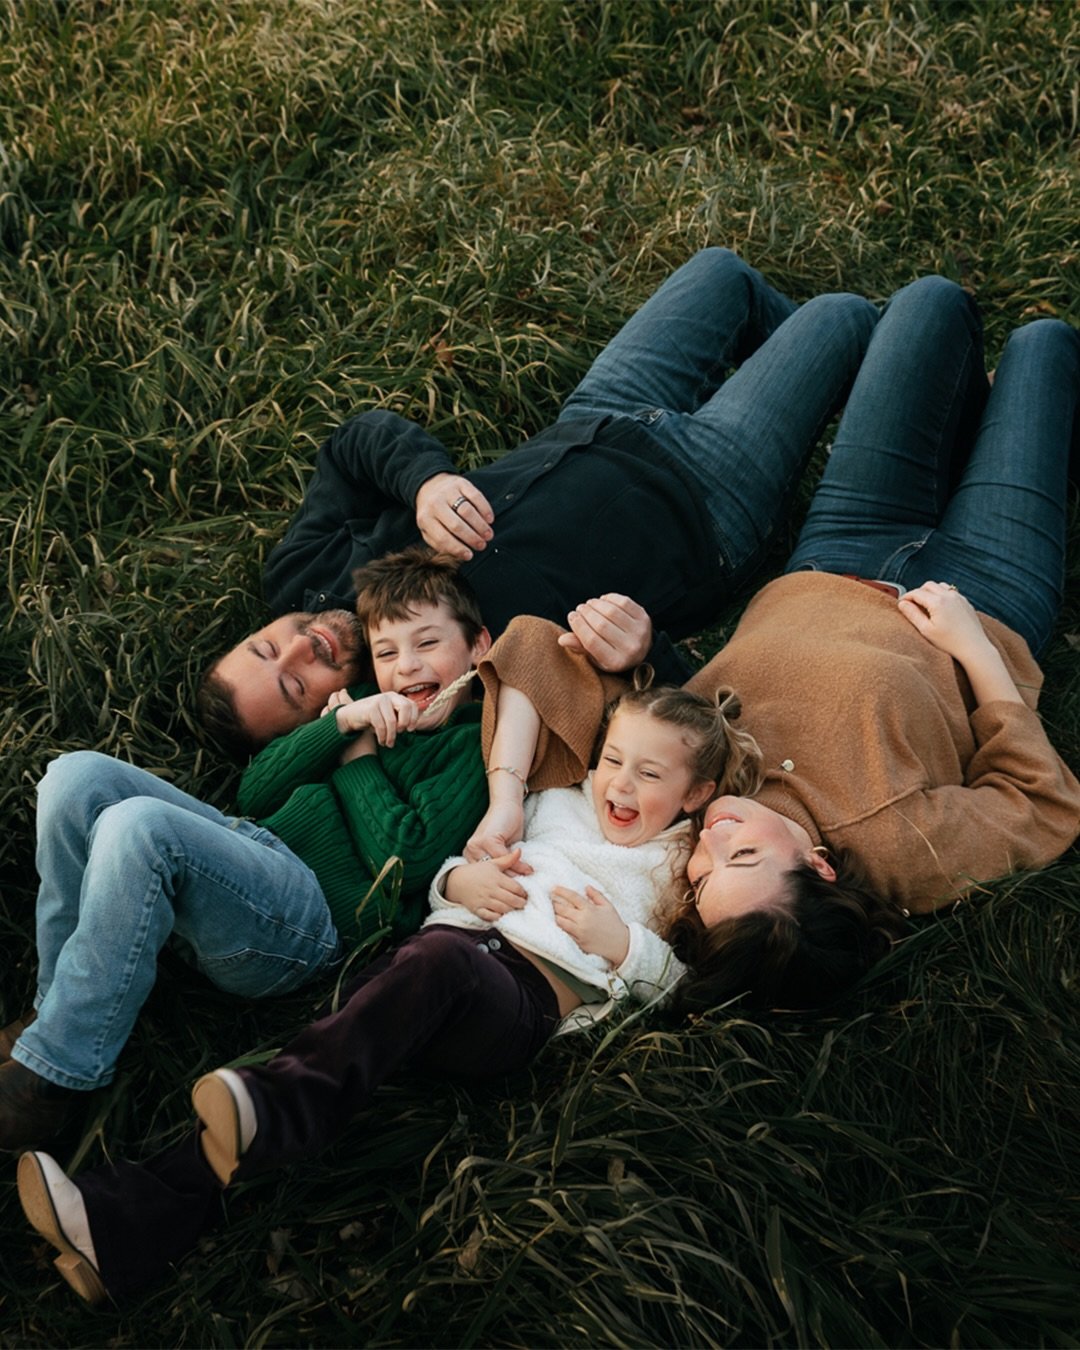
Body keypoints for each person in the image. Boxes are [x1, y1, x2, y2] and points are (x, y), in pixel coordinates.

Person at [16, 680, 764, 1303]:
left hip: (520, 998)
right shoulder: (553, 801)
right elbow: (465, 841)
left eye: (650, 775)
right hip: (439, 950)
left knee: (404, 992)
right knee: (330, 1049)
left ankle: (274, 1109)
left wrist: (625, 947)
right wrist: (454, 879)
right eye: (612, 759)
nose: (620, 784)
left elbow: (694, 983)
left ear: (697, 793)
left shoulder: (680, 862)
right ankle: (117, 1232)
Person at [466, 276, 1080, 1011]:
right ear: (819, 868)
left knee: (931, 303)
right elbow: (1042, 806)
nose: (713, 839)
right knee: (1043, 346)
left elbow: (532, 651)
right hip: (987, 590)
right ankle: (1002, 431)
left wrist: (624, 673)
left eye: (702, 873)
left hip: (840, 543)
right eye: (741, 857)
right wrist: (974, 649)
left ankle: (977, 428)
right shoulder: (902, 849)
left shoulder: (693, 793)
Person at [202, 247, 878, 755]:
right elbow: (650, 729)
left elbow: (355, 443)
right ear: (325, 716)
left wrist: (425, 481)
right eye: (294, 688)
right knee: (841, 316)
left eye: (267, 648)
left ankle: (873, 382)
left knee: (722, 273)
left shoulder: (301, 576)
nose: (299, 649)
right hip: (704, 497)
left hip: (592, 420)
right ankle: (893, 383)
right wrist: (642, 655)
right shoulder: (445, 697)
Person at [0, 549, 494, 1152]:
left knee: (140, 826)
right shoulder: (369, 699)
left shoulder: (469, 745)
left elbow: (404, 860)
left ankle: (55, 1075)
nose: (406, 667)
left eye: (426, 647)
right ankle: (54, 1012)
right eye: (388, 652)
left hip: (306, 921)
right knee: (74, 778)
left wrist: (357, 759)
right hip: (249, 849)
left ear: (478, 649)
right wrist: (337, 726)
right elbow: (255, 791)